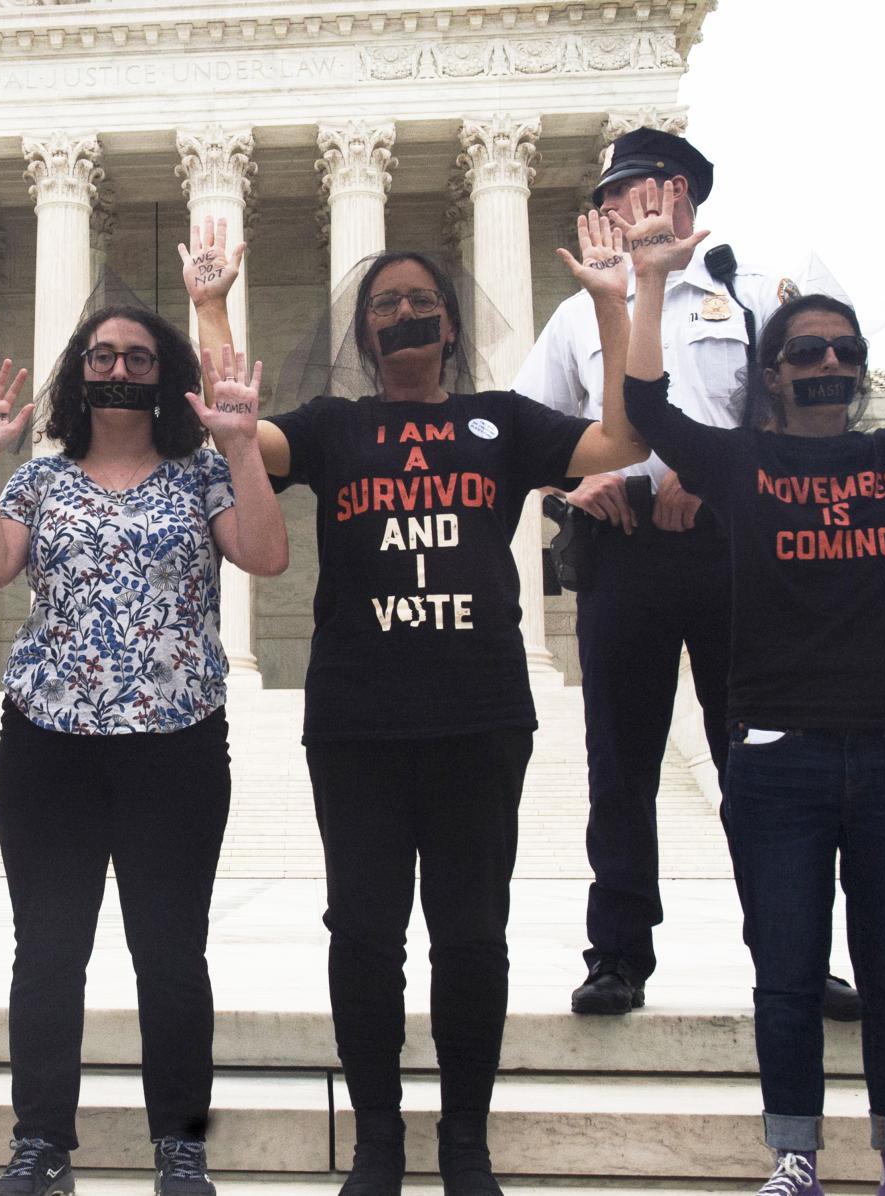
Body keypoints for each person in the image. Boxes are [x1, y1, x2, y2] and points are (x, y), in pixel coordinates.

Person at [187, 213, 648, 1194]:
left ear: (448, 326)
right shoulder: (334, 427)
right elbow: (239, 427)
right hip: (357, 722)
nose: (404, 316)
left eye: (421, 304)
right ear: (365, 335)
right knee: (362, 933)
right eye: (386, 305)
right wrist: (211, 305)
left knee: (472, 933)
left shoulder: (503, 421)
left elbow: (618, 436)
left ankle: (466, 1141)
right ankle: (378, 1141)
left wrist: (611, 307)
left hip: (480, 717)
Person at [616, 178, 885, 1196]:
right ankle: (793, 1154)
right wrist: (653, 282)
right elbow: (647, 407)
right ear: (774, 374)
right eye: (806, 351)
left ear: (859, 372)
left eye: (844, 351)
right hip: (780, 759)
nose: (828, 363)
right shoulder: (740, 463)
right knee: (786, 977)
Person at [511, 128, 860, 1020]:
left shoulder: (747, 297)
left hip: (729, 551)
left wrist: (703, 481)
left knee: (760, 758)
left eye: (627, 191)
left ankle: (794, 953)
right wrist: (579, 482)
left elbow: (790, 420)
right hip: (623, 552)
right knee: (618, 763)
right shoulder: (579, 312)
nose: (614, 210)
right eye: (611, 196)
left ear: (676, 192)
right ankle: (618, 955)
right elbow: (531, 433)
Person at [0, 308, 288, 1195]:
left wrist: (244, 445)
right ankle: (40, 1145)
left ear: (163, 372)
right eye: (102, 354)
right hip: (48, 742)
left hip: (175, 744)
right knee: (49, 950)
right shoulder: (37, 480)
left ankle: (180, 1145)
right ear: (80, 370)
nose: (119, 368)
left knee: (172, 951)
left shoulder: (202, 475)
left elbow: (267, 554)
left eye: (138, 357)